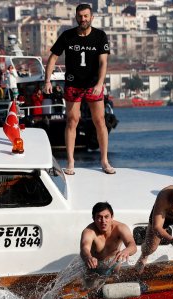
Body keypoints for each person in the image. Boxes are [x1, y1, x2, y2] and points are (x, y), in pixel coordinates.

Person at [44, 3, 114, 175]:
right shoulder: (67, 36)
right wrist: (47, 81)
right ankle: (70, 162)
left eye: (86, 16)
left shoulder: (100, 36)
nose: (83, 19)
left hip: (93, 85)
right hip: (73, 85)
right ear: (76, 17)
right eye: (80, 16)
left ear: (91, 17)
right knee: (72, 121)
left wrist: (99, 84)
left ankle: (104, 161)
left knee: (100, 122)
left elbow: (103, 62)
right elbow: (53, 58)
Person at [80, 202, 137, 276]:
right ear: (93, 218)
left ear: (112, 217)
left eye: (106, 217)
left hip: (113, 265)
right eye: (99, 217)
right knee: (89, 286)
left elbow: (132, 246)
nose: (103, 221)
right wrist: (88, 257)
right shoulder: (89, 231)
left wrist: (127, 251)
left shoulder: (120, 228)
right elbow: (84, 248)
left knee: (115, 284)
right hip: (94, 265)